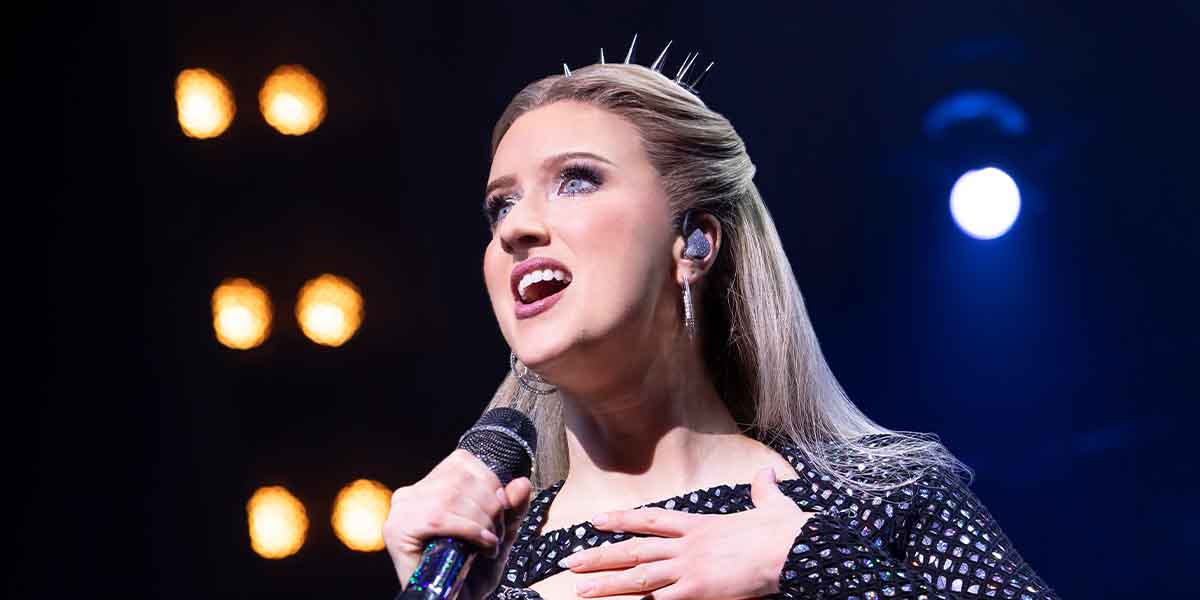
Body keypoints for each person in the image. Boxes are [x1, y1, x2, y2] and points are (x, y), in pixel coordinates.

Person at [385, 40, 1060, 600]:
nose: (518, 229)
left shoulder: (875, 497)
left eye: (577, 180)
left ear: (696, 243)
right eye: (500, 206)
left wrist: (809, 562)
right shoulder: (486, 565)